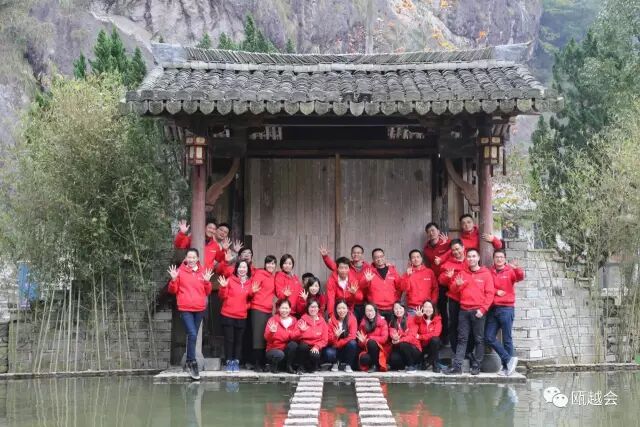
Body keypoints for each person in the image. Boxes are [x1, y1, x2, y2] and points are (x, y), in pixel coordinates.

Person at [445, 248, 495, 376]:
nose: (471, 259)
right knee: (462, 339)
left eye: (473, 256)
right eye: (469, 256)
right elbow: (453, 290)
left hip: (478, 311)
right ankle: (457, 367)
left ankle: (476, 366)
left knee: (479, 339)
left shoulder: (486, 274)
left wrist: (483, 310)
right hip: (464, 310)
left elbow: (490, 293)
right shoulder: (462, 273)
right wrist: (457, 285)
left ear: (478, 258)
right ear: (466, 259)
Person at [167, 248, 214, 380]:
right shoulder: (180, 272)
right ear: (186, 258)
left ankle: (189, 361)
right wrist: (174, 279)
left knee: (192, 336)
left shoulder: (202, 272)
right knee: (192, 334)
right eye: (189, 257)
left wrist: (207, 281)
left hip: (199, 308)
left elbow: (207, 291)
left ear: (197, 258)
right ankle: (192, 362)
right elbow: (173, 290)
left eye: (194, 257)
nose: (191, 260)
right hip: (185, 308)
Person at [217, 260, 261, 372]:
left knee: (239, 341)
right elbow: (222, 297)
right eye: (240, 267)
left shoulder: (250, 283)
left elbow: (251, 299)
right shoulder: (230, 280)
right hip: (227, 314)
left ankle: (236, 362)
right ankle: (229, 361)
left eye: (244, 267)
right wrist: (223, 287)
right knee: (229, 340)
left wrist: (247, 304)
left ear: (248, 269)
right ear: (236, 269)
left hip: (241, 316)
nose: (242, 269)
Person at [486, 249, 524, 376]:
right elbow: (487, 286)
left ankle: (506, 367)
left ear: (505, 259)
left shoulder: (510, 271)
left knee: (507, 339)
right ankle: (508, 360)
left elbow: (520, 277)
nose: (499, 259)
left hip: (506, 308)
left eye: (501, 257)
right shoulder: (489, 272)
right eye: (497, 257)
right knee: (489, 336)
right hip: (493, 308)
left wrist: (517, 269)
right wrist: (496, 291)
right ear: (493, 259)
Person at [250, 255, 278, 372]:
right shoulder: (259, 274)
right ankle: (257, 364)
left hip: (268, 310)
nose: (271, 265)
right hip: (258, 308)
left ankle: (264, 363)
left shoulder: (273, 277)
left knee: (266, 337)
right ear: (265, 264)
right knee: (258, 337)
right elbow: (252, 290)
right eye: (269, 263)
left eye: (273, 263)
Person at [438, 238, 466, 349]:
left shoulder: (470, 261)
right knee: (454, 324)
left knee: (467, 325)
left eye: (457, 249)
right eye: (453, 250)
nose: (456, 252)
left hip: (468, 299)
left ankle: (467, 350)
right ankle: (455, 349)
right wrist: (447, 277)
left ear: (463, 248)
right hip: (454, 298)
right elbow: (441, 280)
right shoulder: (448, 264)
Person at [362, 248, 402, 323]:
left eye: (381, 256)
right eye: (376, 257)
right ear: (373, 259)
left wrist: (396, 299)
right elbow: (362, 287)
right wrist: (366, 280)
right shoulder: (369, 271)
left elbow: (400, 287)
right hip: (376, 308)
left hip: (391, 308)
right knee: (377, 329)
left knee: (392, 329)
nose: (379, 259)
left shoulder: (392, 270)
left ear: (384, 257)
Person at [293, 299, 328, 373]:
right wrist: (301, 331)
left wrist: (317, 346)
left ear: (318, 308)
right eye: (311, 307)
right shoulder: (302, 320)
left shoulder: (322, 321)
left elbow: (325, 339)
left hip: (316, 346)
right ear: (308, 308)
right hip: (304, 347)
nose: (313, 309)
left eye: (315, 307)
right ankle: (301, 367)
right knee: (303, 347)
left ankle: (312, 367)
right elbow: (293, 336)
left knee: (314, 355)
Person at [264, 299, 299, 373]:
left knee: (293, 344)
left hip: (285, 349)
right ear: (279, 309)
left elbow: (294, 337)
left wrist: (300, 331)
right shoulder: (272, 319)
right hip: (273, 349)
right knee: (280, 354)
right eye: (282, 308)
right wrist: (271, 332)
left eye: (286, 308)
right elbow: (267, 338)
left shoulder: (294, 320)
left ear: (290, 309)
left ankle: (288, 366)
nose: (284, 310)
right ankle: (273, 366)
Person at [400, 250, 439, 314]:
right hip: (413, 308)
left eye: (418, 257)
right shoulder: (407, 273)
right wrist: (408, 276)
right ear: (410, 260)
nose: (416, 259)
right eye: (413, 257)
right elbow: (404, 288)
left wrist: (432, 302)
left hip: (428, 308)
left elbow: (435, 288)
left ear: (421, 258)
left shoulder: (429, 272)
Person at [324, 299, 358, 372]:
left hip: (345, 347)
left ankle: (348, 364)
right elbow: (328, 338)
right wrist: (335, 336)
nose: (341, 311)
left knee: (353, 343)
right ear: (335, 309)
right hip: (334, 347)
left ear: (347, 309)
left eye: (344, 308)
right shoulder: (331, 320)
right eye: (339, 308)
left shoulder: (352, 319)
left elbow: (352, 336)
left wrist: (338, 343)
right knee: (328, 353)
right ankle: (335, 362)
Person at [388, 302, 422, 372]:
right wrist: (394, 338)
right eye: (396, 309)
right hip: (400, 349)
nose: (398, 310)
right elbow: (392, 332)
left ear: (404, 309)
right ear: (393, 311)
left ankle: (411, 366)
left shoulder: (412, 319)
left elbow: (412, 336)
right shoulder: (392, 322)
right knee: (393, 359)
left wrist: (399, 340)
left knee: (403, 344)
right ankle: (404, 366)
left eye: (400, 308)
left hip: (414, 349)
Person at [356, 303, 389, 372]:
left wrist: (369, 338)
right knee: (363, 359)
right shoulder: (363, 324)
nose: (369, 313)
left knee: (371, 342)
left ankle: (375, 365)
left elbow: (384, 339)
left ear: (375, 311)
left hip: (381, 349)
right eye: (367, 311)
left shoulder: (383, 322)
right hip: (368, 350)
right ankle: (377, 364)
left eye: (371, 310)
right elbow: (361, 343)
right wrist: (362, 342)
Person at [414, 300, 442, 372]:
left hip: (431, 345)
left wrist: (420, 336)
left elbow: (436, 333)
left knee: (435, 339)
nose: (428, 309)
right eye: (425, 307)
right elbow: (415, 326)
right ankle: (424, 362)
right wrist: (418, 317)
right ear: (422, 308)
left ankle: (435, 364)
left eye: (430, 307)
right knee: (422, 367)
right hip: (421, 345)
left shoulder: (437, 319)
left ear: (433, 308)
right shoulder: (419, 318)